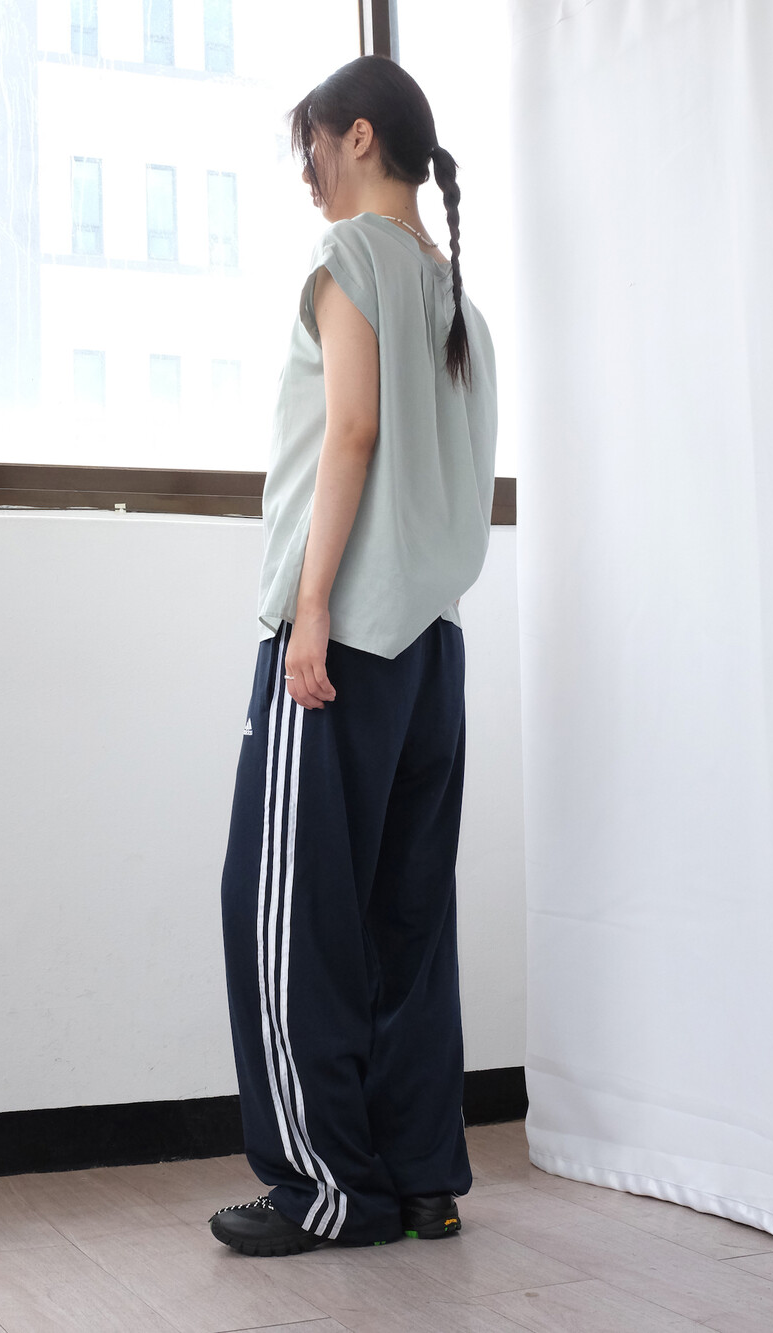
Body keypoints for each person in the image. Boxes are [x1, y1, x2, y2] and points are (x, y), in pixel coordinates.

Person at [208, 54, 498, 1257]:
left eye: (313, 147)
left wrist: (313, 605)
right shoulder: (455, 296)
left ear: (360, 136)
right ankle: (420, 1179)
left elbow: (354, 430)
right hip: (432, 651)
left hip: (343, 641)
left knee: (280, 914)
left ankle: (325, 1189)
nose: (308, 173)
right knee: (403, 923)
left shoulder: (349, 260)